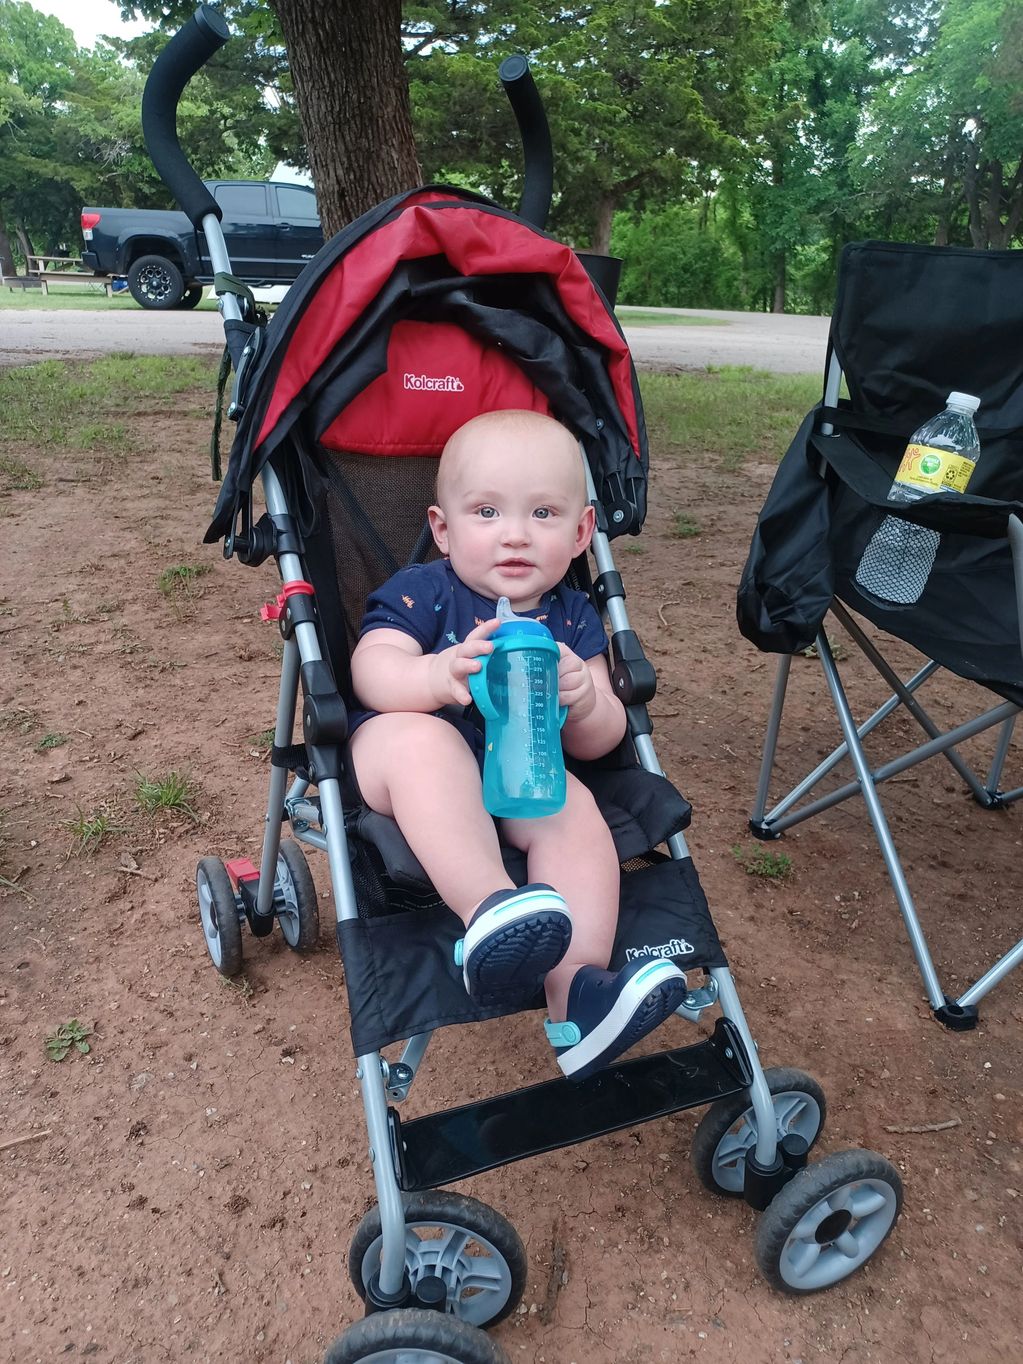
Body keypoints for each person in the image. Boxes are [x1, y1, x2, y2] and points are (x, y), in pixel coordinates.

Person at [348, 409, 687, 1079]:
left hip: (517, 771)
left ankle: (579, 995)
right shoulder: (424, 594)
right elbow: (369, 668)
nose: (513, 536)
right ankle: (488, 912)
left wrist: (586, 698)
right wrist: (432, 675)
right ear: (441, 530)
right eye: (485, 513)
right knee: (422, 741)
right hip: (404, 761)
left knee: (573, 813)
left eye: (541, 513)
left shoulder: (569, 616)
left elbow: (601, 740)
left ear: (581, 530)